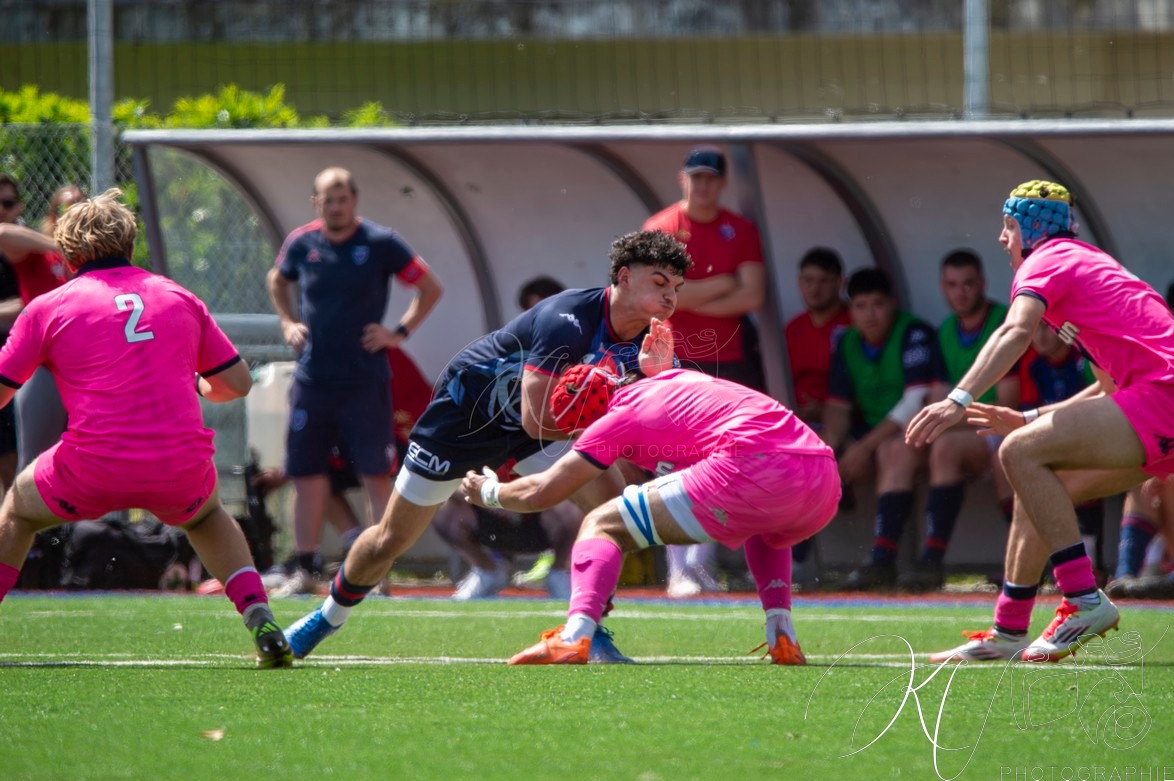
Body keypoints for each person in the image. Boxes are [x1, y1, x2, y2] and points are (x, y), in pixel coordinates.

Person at [283, 229, 693, 661]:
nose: (670, 296)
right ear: (624, 277)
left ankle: (585, 630)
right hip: (465, 422)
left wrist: (656, 396)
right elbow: (538, 417)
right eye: (659, 282)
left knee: (613, 513)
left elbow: (655, 419)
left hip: (535, 433)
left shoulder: (652, 343)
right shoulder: (567, 318)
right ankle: (326, 617)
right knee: (390, 539)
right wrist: (615, 424)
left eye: (677, 287)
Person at [0, 188, 292, 667]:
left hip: (90, 470)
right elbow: (237, 384)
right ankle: (259, 615)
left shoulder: (48, 307)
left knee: (17, 510)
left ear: (67, 253)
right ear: (131, 245)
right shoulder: (177, 295)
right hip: (179, 469)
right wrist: (198, 385)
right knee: (206, 517)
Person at [910, 179, 1174, 663]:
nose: (1002, 238)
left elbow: (1014, 330)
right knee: (1037, 482)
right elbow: (1109, 390)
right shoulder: (1083, 267)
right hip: (1158, 400)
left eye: (1008, 226)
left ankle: (1085, 600)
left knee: (1019, 451)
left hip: (1163, 397)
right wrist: (1027, 415)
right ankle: (1009, 629)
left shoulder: (1046, 260)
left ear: (1029, 229)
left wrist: (957, 399)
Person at [459, 339, 840, 665]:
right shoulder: (670, 381)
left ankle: (574, 636)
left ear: (583, 423)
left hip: (751, 465)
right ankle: (781, 633)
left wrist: (488, 492)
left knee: (602, 524)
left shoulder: (616, 418)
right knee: (767, 525)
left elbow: (543, 491)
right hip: (822, 476)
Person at [267, 166, 443, 595]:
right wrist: (288, 322)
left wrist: (397, 333)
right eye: (328, 199)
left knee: (375, 474)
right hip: (313, 378)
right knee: (306, 473)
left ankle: (376, 571)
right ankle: (304, 568)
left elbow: (430, 287)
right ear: (316, 203)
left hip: (365, 380)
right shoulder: (302, 242)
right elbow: (277, 280)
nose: (336, 207)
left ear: (354, 201)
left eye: (343, 198)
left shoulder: (380, 242)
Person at [643, 146, 767, 598]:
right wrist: (722, 284)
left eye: (712, 178)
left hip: (728, 357)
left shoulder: (741, 229)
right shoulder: (661, 228)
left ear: (723, 183)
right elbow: (659, 299)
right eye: (697, 177)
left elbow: (752, 295)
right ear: (683, 179)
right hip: (673, 355)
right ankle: (677, 568)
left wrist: (689, 294)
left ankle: (701, 563)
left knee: (725, 456)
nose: (704, 186)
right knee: (672, 457)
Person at [432, 275, 582, 600]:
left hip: (544, 504)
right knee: (439, 504)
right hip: (490, 504)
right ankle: (488, 570)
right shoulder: (493, 373)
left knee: (580, 503)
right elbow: (454, 457)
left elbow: (580, 462)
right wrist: (486, 493)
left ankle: (562, 573)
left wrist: (528, 493)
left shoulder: (578, 378)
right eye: (535, 316)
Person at [898, 250, 1019, 592]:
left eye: (968, 283)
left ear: (982, 283)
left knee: (986, 451)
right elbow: (939, 398)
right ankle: (929, 559)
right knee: (933, 446)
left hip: (1010, 424)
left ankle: (1024, 561)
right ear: (942, 287)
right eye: (952, 285)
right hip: (974, 428)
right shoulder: (946, 331)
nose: (961, 293)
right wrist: (944, 417)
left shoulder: (1005, 322)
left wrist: (951, 415)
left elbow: (1007, 402)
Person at [822, 267, 940, 590]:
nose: (870, 315)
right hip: (869, 435)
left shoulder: (914, 333)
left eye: (877, 304)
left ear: (892, 304)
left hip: (913, 434)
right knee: (811, 455)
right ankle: (796, 563)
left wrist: (863, 448)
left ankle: (882, 560)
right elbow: (837, 408)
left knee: (893, 451)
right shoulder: (846, 342)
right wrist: (832, 451)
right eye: (861, 306)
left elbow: (916, 400)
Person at [783, 247, 850, 586]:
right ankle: (779, 558)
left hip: (845, 425)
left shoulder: (852, 325)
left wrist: (826, 409)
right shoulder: (792, 330)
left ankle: (795, 560)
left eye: (823, 281)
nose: (815, 288)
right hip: (797, 424)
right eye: (808, 281)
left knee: (803, 461)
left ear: (840, 283)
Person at [0, 175, 71, 473]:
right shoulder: (43, 251)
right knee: (33, 464)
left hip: (83, 366)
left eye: (80, 208)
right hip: (43, 364)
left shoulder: (88, 259)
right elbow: (2, 233)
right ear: (52, 216)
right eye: (66, 209)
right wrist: (64, 246)